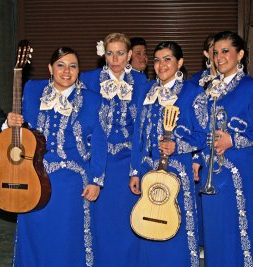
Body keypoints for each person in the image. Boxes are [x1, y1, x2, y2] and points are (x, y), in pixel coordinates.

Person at [7, 47, 105, 266]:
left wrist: (96, 180)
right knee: (35, 233)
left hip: (71, 183)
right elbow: (18, 131)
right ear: (50, 68)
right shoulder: (32, 90)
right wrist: (9, 123)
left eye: (73, 66)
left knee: (67, 238)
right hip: (32, 177)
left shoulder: (92, 100)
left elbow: (100, 142)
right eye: (60, 65)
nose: (66, 71)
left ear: (79, 71)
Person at [195, 31, 253, 266]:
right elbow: (202, 129)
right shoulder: (208, 88)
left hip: (239, 167)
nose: (219, 57)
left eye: (225, 51)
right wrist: (197, 158)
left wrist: (233, 140)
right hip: (211, 167)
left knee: (239, 224)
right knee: (215, 226)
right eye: (216, 52)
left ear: (240, 54)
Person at [129, 41, 207, 267]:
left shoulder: (193, 93)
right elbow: (138, 136)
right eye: (157, 60)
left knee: (178, 225)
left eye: (167, 59)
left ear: (180, 63)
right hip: (146, 169)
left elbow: (203, 135)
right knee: (147, 224)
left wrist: (178, 146)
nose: (161, 65)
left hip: (178, 171)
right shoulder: (145, 90)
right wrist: (134, 171)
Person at [79, 33, 147, 267]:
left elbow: (141, 129)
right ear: (103, 55)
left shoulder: (141, 83)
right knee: (100, 222)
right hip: (97, 161)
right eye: (110, 53)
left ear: (129, 55)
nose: (115, 58)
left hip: (128, 161)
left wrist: (136, 169)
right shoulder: (87, 80)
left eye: (120, 53)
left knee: (127, 220)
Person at [190, 32, 217, 257]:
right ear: (206, 54)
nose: (218, 56)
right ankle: (199, 241)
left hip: (223, 149)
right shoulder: (195, 82)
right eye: (213, 50)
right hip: (199, 147)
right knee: (198, 200)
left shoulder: (239, 81)